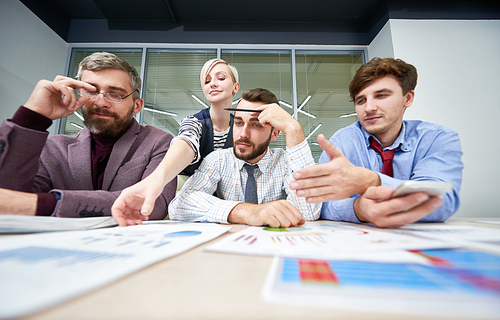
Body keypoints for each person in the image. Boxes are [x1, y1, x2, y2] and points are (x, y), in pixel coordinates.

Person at [289, 57, 463, 228]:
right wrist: (358, 209)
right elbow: (320, 204)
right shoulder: (342, 141)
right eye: (361, 100)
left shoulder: (436, 138)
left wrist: (371, 181)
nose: (369, 108)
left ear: (408, 99)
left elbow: (442, 200)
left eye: (381, 95)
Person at [0, 52, 176, 218]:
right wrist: (33, 117)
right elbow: (9, 197)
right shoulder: (53, 147)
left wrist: (50, 203)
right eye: (91, 91)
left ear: (137, 106)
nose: (100, 102)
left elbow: (153, 205)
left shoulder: (159, 142)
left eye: (115, 94)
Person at [167, 88, 321, 228]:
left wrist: (293, 128)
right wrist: (249, 212)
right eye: (239, 123)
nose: (243, 134)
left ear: (274, 134)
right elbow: (178, 206)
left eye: (256, 125)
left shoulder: (286, 161)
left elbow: (309, 212)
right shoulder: (218, 160)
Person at [112, 58, 240, 225]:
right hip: (194, 198)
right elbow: (186, 142)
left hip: (230, 198)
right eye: (207, 81)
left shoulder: (241, 126)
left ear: (235, 87)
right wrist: (156, 179)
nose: (212, 84)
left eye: (221, 78)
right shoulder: (193, 122)